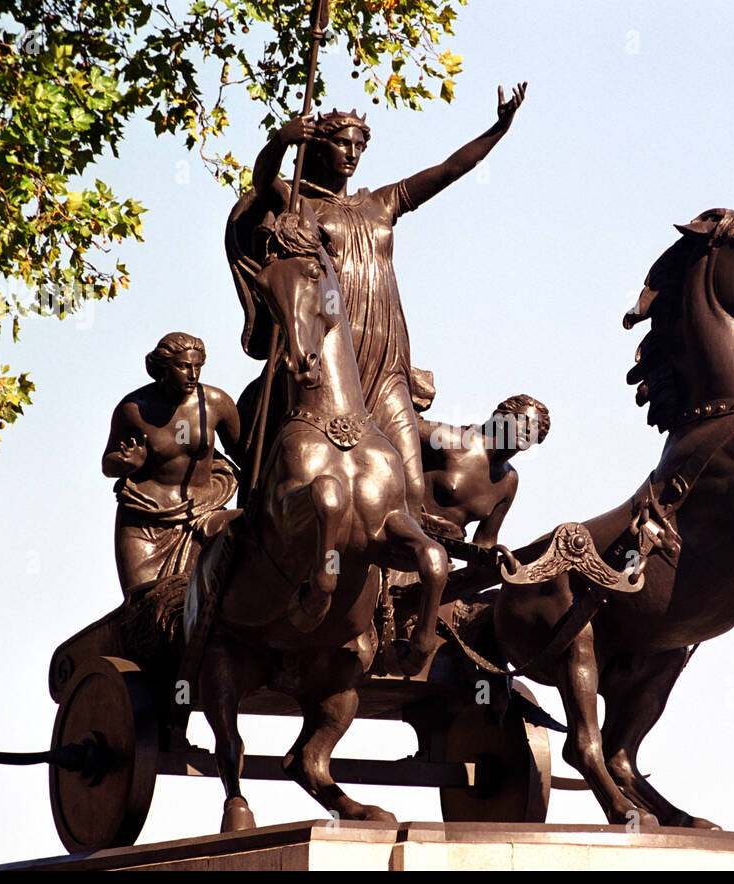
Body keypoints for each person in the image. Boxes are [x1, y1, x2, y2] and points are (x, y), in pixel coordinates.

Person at [244, 83, 527, 516]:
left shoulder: (382, 202)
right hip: (337, 348)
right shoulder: (299, 201)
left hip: (388, 352)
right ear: (320, 147)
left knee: (409, 489)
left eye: (359, 145)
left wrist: (498, 128)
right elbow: (261, 182)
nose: (352, 153)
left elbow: (449, 169)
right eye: (342, 143)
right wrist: (282, 140)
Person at [102, 332, 241, 595]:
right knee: (144, 608)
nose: (193, 374)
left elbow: (246, 452)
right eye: (184, 367)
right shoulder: (133, 409)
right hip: (145, 521)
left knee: (244, 540)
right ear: (164, 368)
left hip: (204, 513)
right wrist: (128, 463)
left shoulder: (215, 404)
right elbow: (108, 464)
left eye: (197, 366)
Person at [418, 394, 551, 549]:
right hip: (398, 537)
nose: (527, 428)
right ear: (500, 420)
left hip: (439, 555)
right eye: (521, 419)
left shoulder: (509, 480)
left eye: (535, 426)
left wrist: (494, 560)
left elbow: (485, 540)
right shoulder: (453, 440)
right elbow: (399, 426)